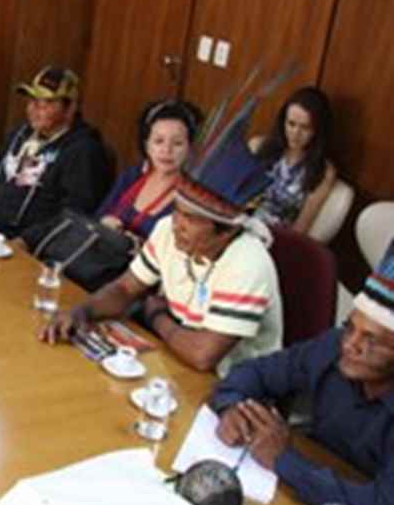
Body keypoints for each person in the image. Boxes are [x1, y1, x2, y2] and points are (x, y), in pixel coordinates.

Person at [41, 81, 283, 376]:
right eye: (177, 211)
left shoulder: (248, 263)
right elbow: (125, 287)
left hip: (231, 382)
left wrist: (157, 316)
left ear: (227, 231)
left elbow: (203, 356)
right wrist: (82, 311)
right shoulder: (168, 229)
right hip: (173, 358)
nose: (177, 224)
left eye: (191, 219)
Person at [209, 240, 394, 505]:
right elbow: (253, 373)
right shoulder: (334, 346)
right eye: (351, 328)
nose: (351, 344)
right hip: (303, 497)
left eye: (371, 340)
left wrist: (285, 461)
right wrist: (233, 408)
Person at [0, 66, 111, 244]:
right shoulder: (22, 133)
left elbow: (73, 215)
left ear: (70, 109)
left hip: (26, 243)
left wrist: (27, 241)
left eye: (45, 104)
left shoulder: (83, 151)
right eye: (32, 100)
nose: (34, 109)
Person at [97, 99, 202, 243]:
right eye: (159, 141)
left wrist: (140, 245)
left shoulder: (192, 196)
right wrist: (105, 223)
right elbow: (98, 217)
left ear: (190, 148)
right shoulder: (132, 176)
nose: (166, 150)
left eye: (177, 143)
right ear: (147, 145)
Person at [252, 86, 337, 234]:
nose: (295, 133)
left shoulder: (324, 171)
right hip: (238, 221)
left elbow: (301, 227)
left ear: (317, 130)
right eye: (291, 124)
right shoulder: (258, 145)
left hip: (274, 236)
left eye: (305, 127)